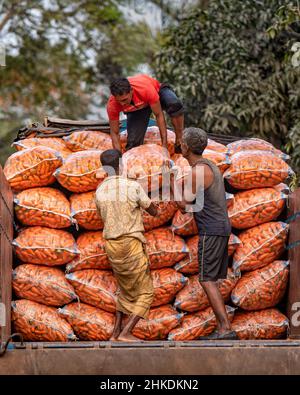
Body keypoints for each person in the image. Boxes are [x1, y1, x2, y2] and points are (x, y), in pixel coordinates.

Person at [169, 127, 237, 340]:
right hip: (219, 228)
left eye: (181, 142)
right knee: (212, 279)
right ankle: (223, 327)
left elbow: (182, 204)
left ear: (186, 147)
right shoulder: (209, 166)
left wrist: (170, 179)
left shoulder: (199, 170)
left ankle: (225, 328)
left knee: (207, 279)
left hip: (212, 230)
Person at [95, 149, 158, 342]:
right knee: (146, 292)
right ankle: (126, 333)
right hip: (130, 243)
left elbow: (102, 217)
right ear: (121, 165)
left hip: (112, 246)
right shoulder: (131, 186)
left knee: (125, 289)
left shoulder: (100, 191)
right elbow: (153, 211)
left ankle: (115, 334)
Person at [107, 74, 184, 152]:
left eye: (124, 100)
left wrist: (164, 145)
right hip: (138, 109)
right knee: (133, 145)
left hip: (157, 93)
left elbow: (158, 115)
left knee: (174, 104)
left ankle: (179, 140)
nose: (122, 104)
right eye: (118, 101)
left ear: (131, 91)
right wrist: (118, 158)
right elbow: (114, 132)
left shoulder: (145, 89)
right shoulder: (112, 104)